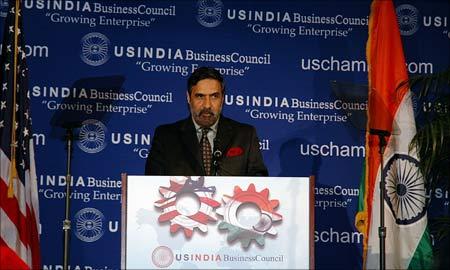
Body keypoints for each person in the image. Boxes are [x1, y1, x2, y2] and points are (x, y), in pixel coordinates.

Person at [145, 66, 268, 176]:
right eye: (200, 96)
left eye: (214, 96)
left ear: (223, 99)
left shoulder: (245, 135)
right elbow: (152, 185)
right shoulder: (166, 136)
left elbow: (259, 183)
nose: (207, 105)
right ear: (188, 98)